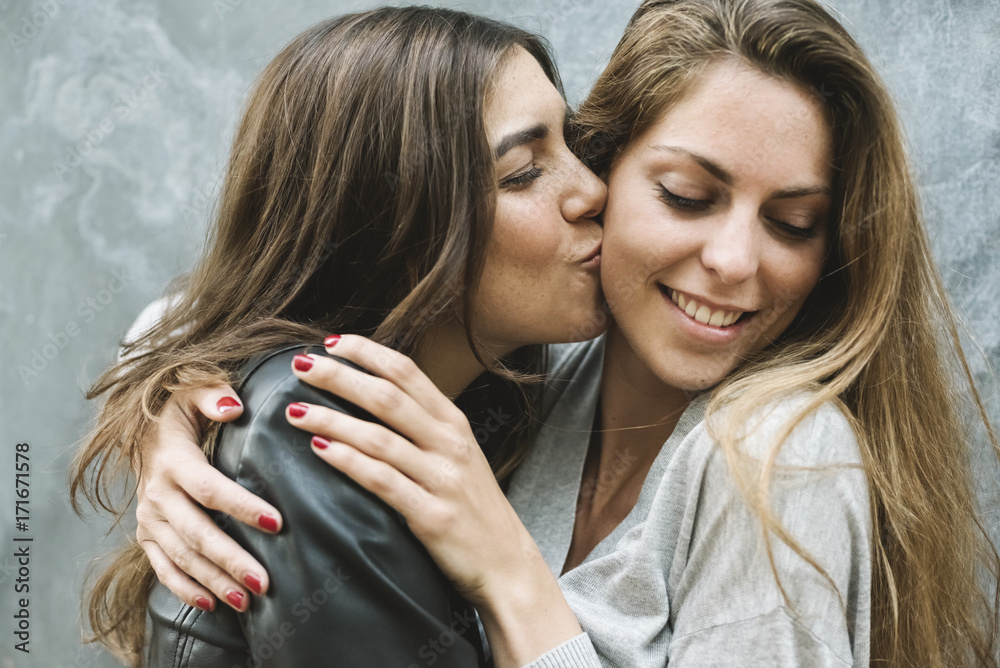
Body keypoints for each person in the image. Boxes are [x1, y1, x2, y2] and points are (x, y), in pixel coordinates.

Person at [83, 0, 1000, 666]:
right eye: (685, 195)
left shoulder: (779, 459)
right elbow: (213, 314)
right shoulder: (534, 369)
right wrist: (173, 409)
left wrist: (512, 576)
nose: (733, 260)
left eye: (795, 223)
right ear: (616, 171)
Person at [70, 6, 609, 667]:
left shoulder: (483, 396)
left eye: (574, 145)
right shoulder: (318, 426)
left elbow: (188, 316)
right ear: (397, 228)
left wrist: (161, 386)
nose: (593, 190)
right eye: (525, 171)